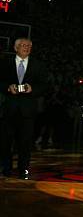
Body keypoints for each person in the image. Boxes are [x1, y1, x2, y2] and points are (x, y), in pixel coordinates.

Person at [0, 38, 48, 179]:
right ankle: (6, 168)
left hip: (28, 111)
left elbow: (44, 85)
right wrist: (8, 87)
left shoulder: (38, 65)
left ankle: (23, 170)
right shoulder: (5, 63)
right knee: (5, 142)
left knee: (25, 143)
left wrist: (32, 89)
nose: (26, 47)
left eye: (28, 46)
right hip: (9, 109)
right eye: (22, 45)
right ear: (15, 48)